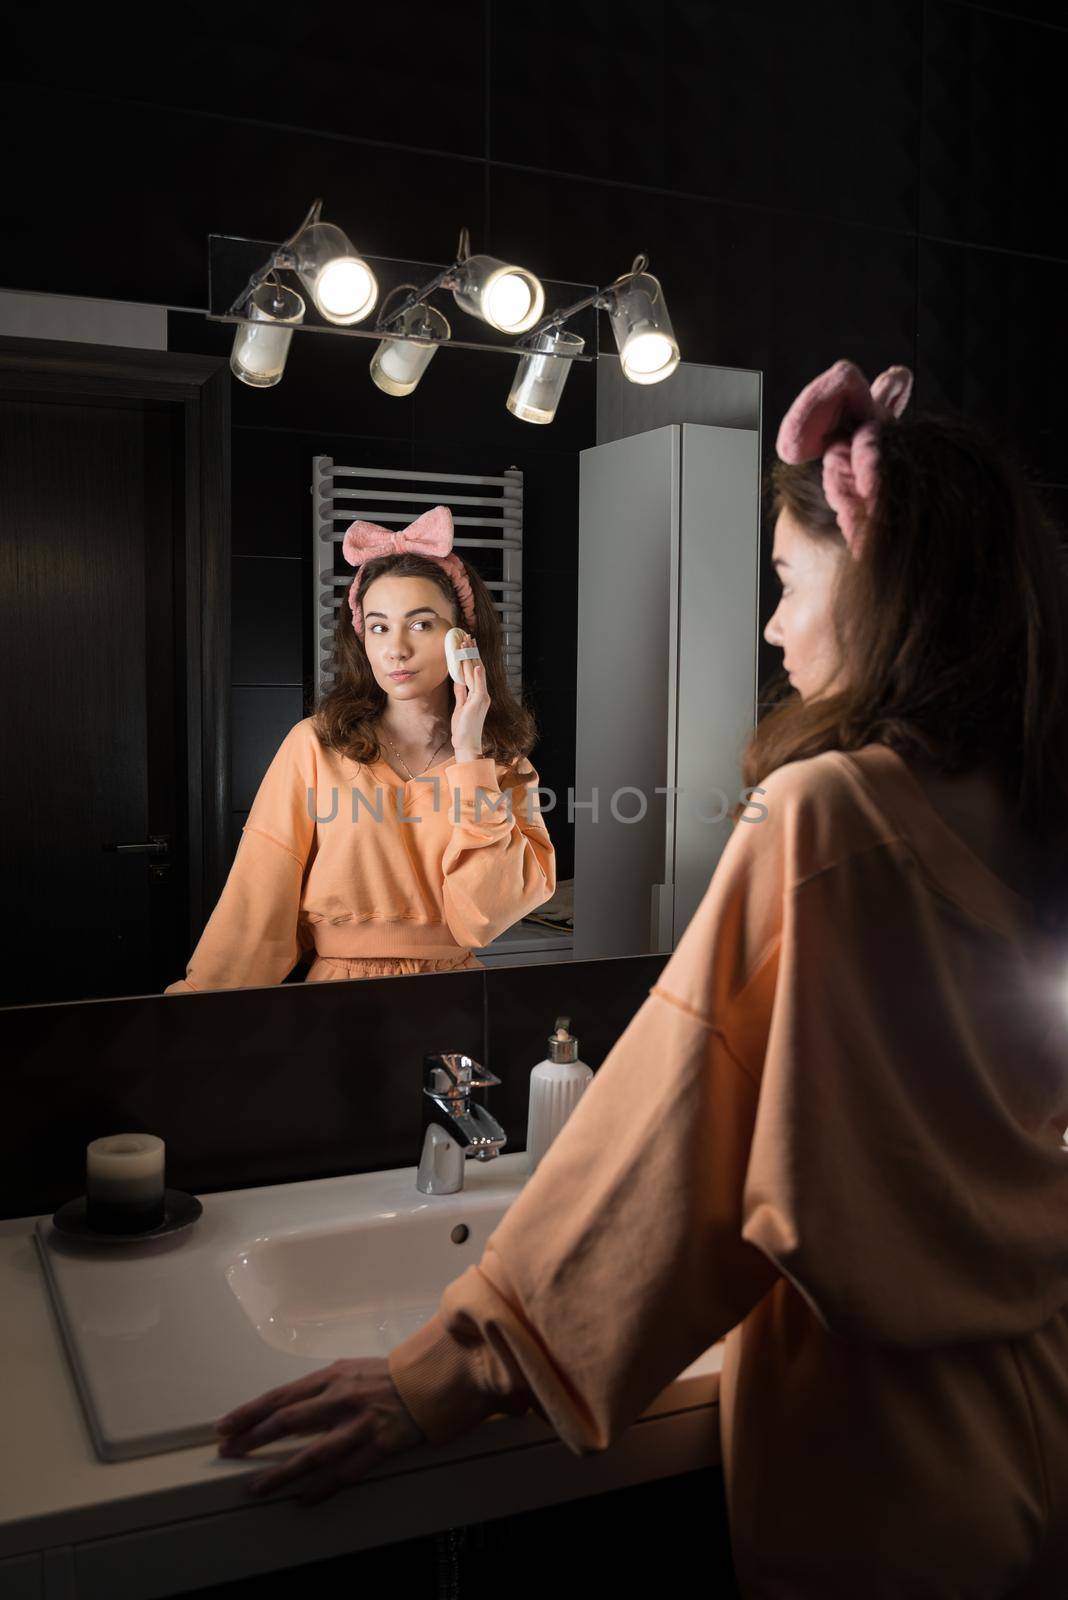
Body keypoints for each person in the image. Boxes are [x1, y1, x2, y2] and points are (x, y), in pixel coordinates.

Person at [209, 360, 1068, 1598]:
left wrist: (453, 1365)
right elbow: (246, 926)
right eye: (374, 623)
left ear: (885, 589)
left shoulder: (820, 810)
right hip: (1032, 1403)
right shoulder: (1031, 811)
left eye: (785, 582)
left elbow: (676, 1124)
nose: (770, 627)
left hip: (884, 1457)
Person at [165, 504, 555, 992]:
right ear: (361, 639)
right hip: (339, 997)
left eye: (421, 624)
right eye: (378, 626)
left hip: (456, 997)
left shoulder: (504, 767)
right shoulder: (315, 745)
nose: (396, 649)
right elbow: (257, 900)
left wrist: (470, 754)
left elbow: (484, 919)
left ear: (463, 640)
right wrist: (195, 1013)